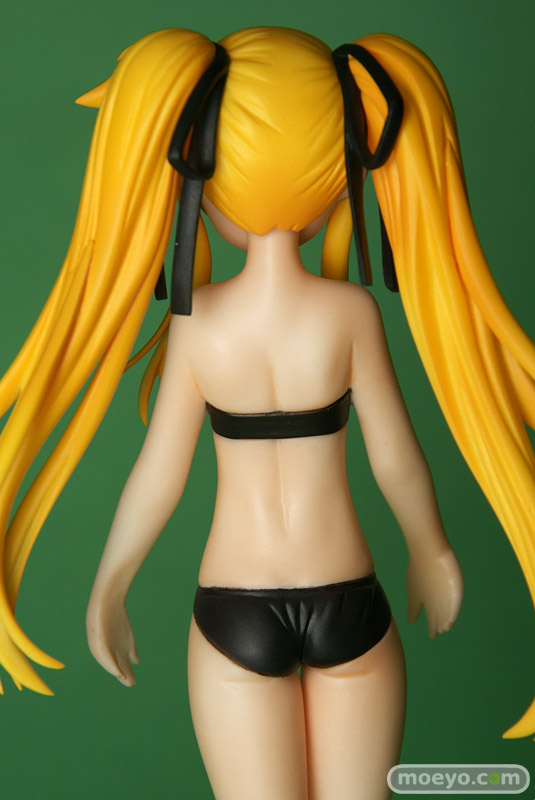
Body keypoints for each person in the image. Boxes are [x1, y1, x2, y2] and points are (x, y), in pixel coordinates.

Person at [0, 26, 533, 799]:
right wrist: (431, 549)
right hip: (350, 597)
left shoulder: (199, 327)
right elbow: (393, 455)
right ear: (338, 179)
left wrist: (110, 583)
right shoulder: (349, 314)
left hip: (233, 608)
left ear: (203, 181)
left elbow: (159, 474)